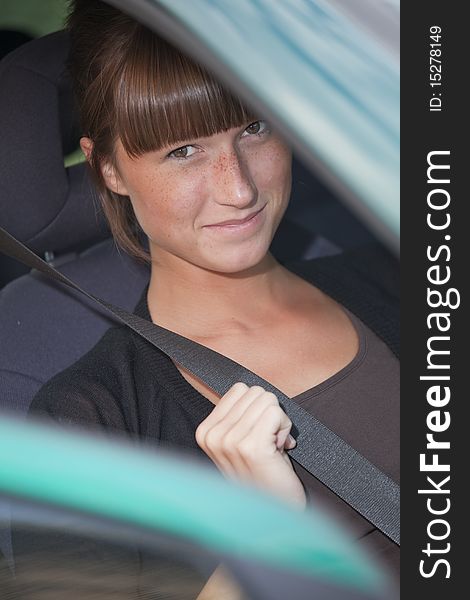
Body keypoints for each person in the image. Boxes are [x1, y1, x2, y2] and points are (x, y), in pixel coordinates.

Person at [13, 0, 399, 595]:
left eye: (254, 127)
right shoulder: (85, 425)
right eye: (182, 151)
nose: (239, 189)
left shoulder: (395, 278)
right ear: (108, 167)